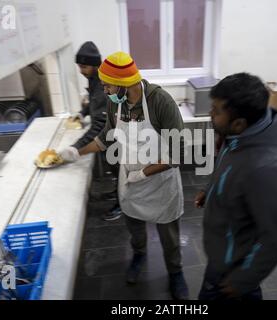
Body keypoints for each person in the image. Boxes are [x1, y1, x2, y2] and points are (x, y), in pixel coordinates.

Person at [58, 51, 189, 300]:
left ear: (124, 83)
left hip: (160, 182)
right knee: (135, 226)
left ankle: (175, 272)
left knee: (169, 236)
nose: (105, 90)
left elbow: (178, 153)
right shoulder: (115, 102)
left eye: (108, 85)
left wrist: (144, 173)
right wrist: (76, 151)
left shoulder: (160, 101)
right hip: (130, 179)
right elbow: (107, 137)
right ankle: (139, 256)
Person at [195, 72, 277, 301]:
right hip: (222, 254)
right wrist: (209, 190)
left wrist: (244, 280)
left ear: (239, 123)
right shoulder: (236, 138)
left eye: (216, 111)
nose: (211, 113)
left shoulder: (267, 170)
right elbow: (226, 167)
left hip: (234, 270)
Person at [72, 41, 123, 221]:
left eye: (84, 66)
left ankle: (122, 205)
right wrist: (83, 112)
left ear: (95, 65)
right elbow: (94, 103)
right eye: (79, 66)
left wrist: (76, 147)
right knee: (115, 170)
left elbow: (100, 125)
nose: (81, 70)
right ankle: (117, 192)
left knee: (121, 172)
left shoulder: (104, 85)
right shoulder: (95, 79)